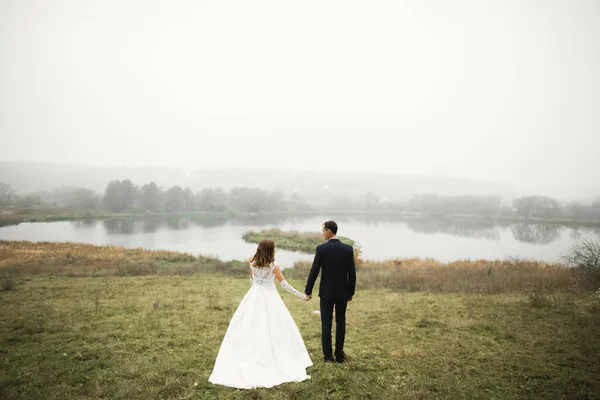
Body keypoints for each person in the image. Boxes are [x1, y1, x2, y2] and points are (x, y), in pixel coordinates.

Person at [209, 240, 312, 389]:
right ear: (270, 250)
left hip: (253, 296)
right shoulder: (274, 267)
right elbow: (284, 285)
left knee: (249, 326)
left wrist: (255, 293)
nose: (276, 249)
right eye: (274, 248)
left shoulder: (252, 263)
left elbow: (252, 282)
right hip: (270, 297)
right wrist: (302, 296)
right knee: (276, 327)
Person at [305, 220, 356, 363]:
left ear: (328, 231)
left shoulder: (321, 249)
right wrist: (350, 292)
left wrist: (308, 290)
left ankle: (328, 357)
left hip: (326, 293)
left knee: (326, 324)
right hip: (342, 293)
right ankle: (339, 355)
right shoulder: (347, 249)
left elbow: (314, 271)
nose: (322, 233)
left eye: (323, 230)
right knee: (341, 322)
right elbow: (351, 273)